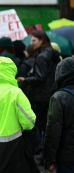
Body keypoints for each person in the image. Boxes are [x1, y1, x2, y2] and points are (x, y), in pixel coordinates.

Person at [17, 30, 61, 160]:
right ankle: (47, 154)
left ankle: (42, 154)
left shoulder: (42, 56)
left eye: (34, 40)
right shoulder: (52, 54)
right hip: (51, 93)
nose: (32, 43)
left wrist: (25, 79)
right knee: (47, 126)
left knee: (39, 126)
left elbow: (40, 77)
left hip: (41, 96)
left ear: (41, 40)